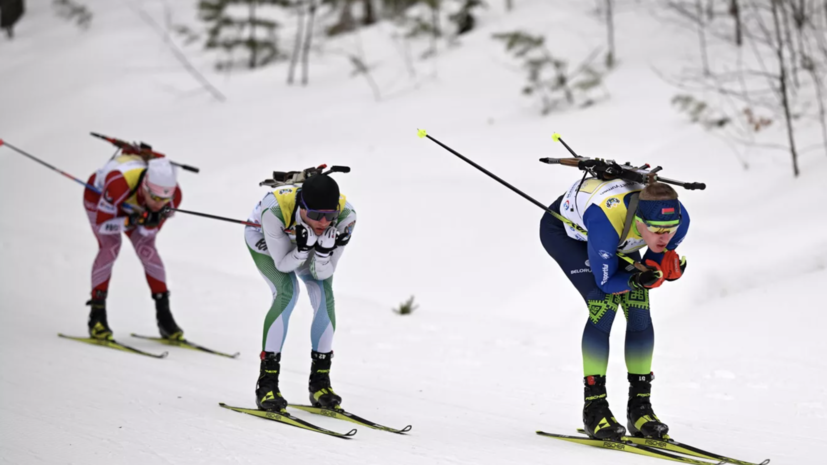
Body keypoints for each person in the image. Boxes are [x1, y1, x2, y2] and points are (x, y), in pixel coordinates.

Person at [539, 174, 689, 440]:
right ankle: (594, 408)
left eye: (669, 230)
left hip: (621, 236)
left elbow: (653, 267)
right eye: (655, 230)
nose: (663, 237)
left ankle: (639, 408)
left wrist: (662, 272)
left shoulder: (680, 220)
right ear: (641, 222)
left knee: (638, 304)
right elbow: (607, 282)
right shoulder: (605, 222)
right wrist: (637, 278)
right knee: (602, 302)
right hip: (568, 234)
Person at [245, 173, 356, 412]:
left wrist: (324, 253)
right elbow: (282, 265)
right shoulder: (275, 209)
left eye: (330, 216)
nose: (324, 222)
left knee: (325, 298)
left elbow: (323, 274)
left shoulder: (347, 216)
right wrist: (303, 250)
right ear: (302, 207)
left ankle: (320, 384)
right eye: (316, 215)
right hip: (265, 240)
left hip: (305, 244)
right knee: (287, 292)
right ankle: (267, 384)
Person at [82, 154, 183, 341]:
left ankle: (164, 317)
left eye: (163, 199)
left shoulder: (174, 198)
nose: (158, 203)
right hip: (99, 198)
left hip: (133, 208)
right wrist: (132, 220)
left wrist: (151, 222)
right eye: (154, 197)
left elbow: (147, 235)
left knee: (147, 250)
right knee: (110, 246)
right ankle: (96, 316)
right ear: (145, 186)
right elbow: (104, 223)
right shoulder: (118, 184)